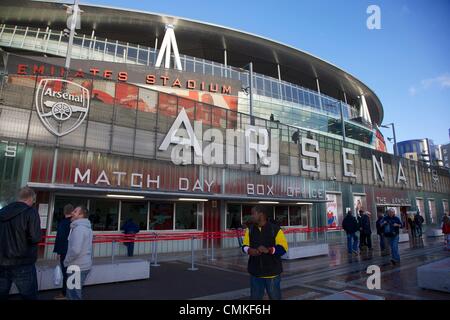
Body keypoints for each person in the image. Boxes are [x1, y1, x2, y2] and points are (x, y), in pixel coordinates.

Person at [0, 187, 41, 300]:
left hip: (2, 262)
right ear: (31, 198)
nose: (33, 203)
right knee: (30, 296)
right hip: (23, 263)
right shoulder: (31, 212)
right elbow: (36, 237)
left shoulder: (2, 211)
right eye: (34, 201)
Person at [242, 205, 288, 300]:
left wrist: (269, 250)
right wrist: (249, 250)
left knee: (275, 297)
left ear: (261, 214)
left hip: (272, 274)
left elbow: (283, 248)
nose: (252, 216)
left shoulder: (275, 229)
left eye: (253, 213)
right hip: (255, 273)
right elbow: (244, 246)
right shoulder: (249, 230)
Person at [64, 205, 93, 300]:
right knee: (74, 293)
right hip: (82, 265)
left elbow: (75, 250)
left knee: (73, 295)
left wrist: (66, 261)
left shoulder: (79, 229)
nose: (72, 212)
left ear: (81, 215)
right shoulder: (85, 228)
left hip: (77, 266)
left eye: (75, 211)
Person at [53, 204, 74, 300]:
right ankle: (73, 292)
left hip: (64, 251)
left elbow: (60, 238)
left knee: (65, 272)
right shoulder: (75, 223)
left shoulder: (63, 223)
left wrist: (58, 252)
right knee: (73, 272)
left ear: (64, 212)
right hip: (74, 252)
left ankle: (64, 293)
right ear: (72, 212)